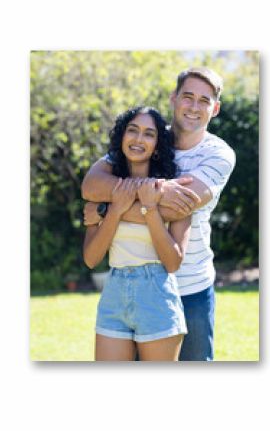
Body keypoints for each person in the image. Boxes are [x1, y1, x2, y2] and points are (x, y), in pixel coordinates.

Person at [82, 67, 236, 361]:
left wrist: (108, 207)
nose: (193, 106)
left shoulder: (219, 154)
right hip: (126, 283)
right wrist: (151, 195)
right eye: (187, 96)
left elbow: (179, 208)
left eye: (204, 100)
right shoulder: (145, 137)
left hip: (190, 285)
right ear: (173, 99)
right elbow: (91, 185)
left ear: (214, 109)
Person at [83, 106, 192, 361]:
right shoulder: (102, 193)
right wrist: (115, 210)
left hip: (157, 294)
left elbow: (173, 262)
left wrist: (151, 209)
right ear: (121, 136)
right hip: (114, 293)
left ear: (157, 144)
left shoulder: (174, 193)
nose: (138, 139)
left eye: (148, 134)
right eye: (132, 130)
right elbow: (91, 258)